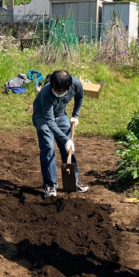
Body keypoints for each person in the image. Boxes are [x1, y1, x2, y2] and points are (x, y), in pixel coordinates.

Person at [31, 69, 88, 197]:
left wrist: (75, 115)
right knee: (49, 147)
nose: (57, 93)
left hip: (61, 114)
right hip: (43, 118)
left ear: (68, 87)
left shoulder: (76, 84)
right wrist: (66, 139)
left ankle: (73, 182)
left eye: (61, 91)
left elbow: (80, 96)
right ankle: (50, 185)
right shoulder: (46, 92)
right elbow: (50, 122)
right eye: (55, 90)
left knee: (68, 150)